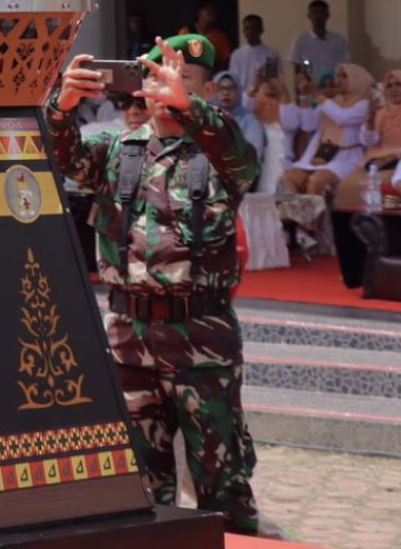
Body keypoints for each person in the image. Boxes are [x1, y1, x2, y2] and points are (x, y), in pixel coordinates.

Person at [47, 34, 265, 536]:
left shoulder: (220, 153)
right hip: (129, 343)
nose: (164, 87)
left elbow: (242, 159)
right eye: (156, 76)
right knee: (136, 489)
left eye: (182, 80)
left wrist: (189, 110)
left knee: (223, 483)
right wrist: (61, 107)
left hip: (202, 343)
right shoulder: (113, 149)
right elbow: (56, 156)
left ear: (205, 90)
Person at [282, 63, 373, 198]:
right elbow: (308, 125)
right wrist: (305, 96)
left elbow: (343, 118)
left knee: (316, 181)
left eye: (344, 76)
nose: (339, 80)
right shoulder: (333, 101)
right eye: (338, 76)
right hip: (320, 155)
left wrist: (317, 94)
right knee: (288, 177)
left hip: (345, 158)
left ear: (357, 79)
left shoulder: (364, 104)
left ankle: (316, 218)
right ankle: (297, 213)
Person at [334, 69, 401, 208]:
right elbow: (368, 141)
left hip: (397, 160)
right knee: (347, 185)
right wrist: (370, 117)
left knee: (377, 186)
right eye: (390, 86)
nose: (394, 89)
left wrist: (392, 156)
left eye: (398, 84)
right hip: (375, 159)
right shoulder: (380, 112)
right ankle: (354, 227)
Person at [288, 0, 350, 87]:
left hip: (334, 89)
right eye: (314, 13)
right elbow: (298, 71)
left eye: (321, 12)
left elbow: (345, 68)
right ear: (309, 16)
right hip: (311, 89)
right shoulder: (301, 41)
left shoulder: (339, 40)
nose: (318, 16)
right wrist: (299, 95)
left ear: (327, 15)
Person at [214, 72, 267, 165]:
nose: (226, 93)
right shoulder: (208, 117)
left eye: (231, 88)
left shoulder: (250, 121)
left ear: (239, 91)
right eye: (221, 88)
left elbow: (255, 156)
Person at [227, 15, 281, 93]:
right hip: (243, 100)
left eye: (253, 28)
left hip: (263, 99)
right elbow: (233, 80)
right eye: (247, 29)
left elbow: (272, 81)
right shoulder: (236, 55)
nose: (250, 32)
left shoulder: (271, 55)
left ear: (261, 30)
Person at [179, 3, 232, 71]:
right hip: (191, 72)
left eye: (215, 12)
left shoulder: (220, 36)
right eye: (210, 11)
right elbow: (179, 55)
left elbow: (225, 60)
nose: (213, 14)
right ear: (200, 13)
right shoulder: (186, 32)